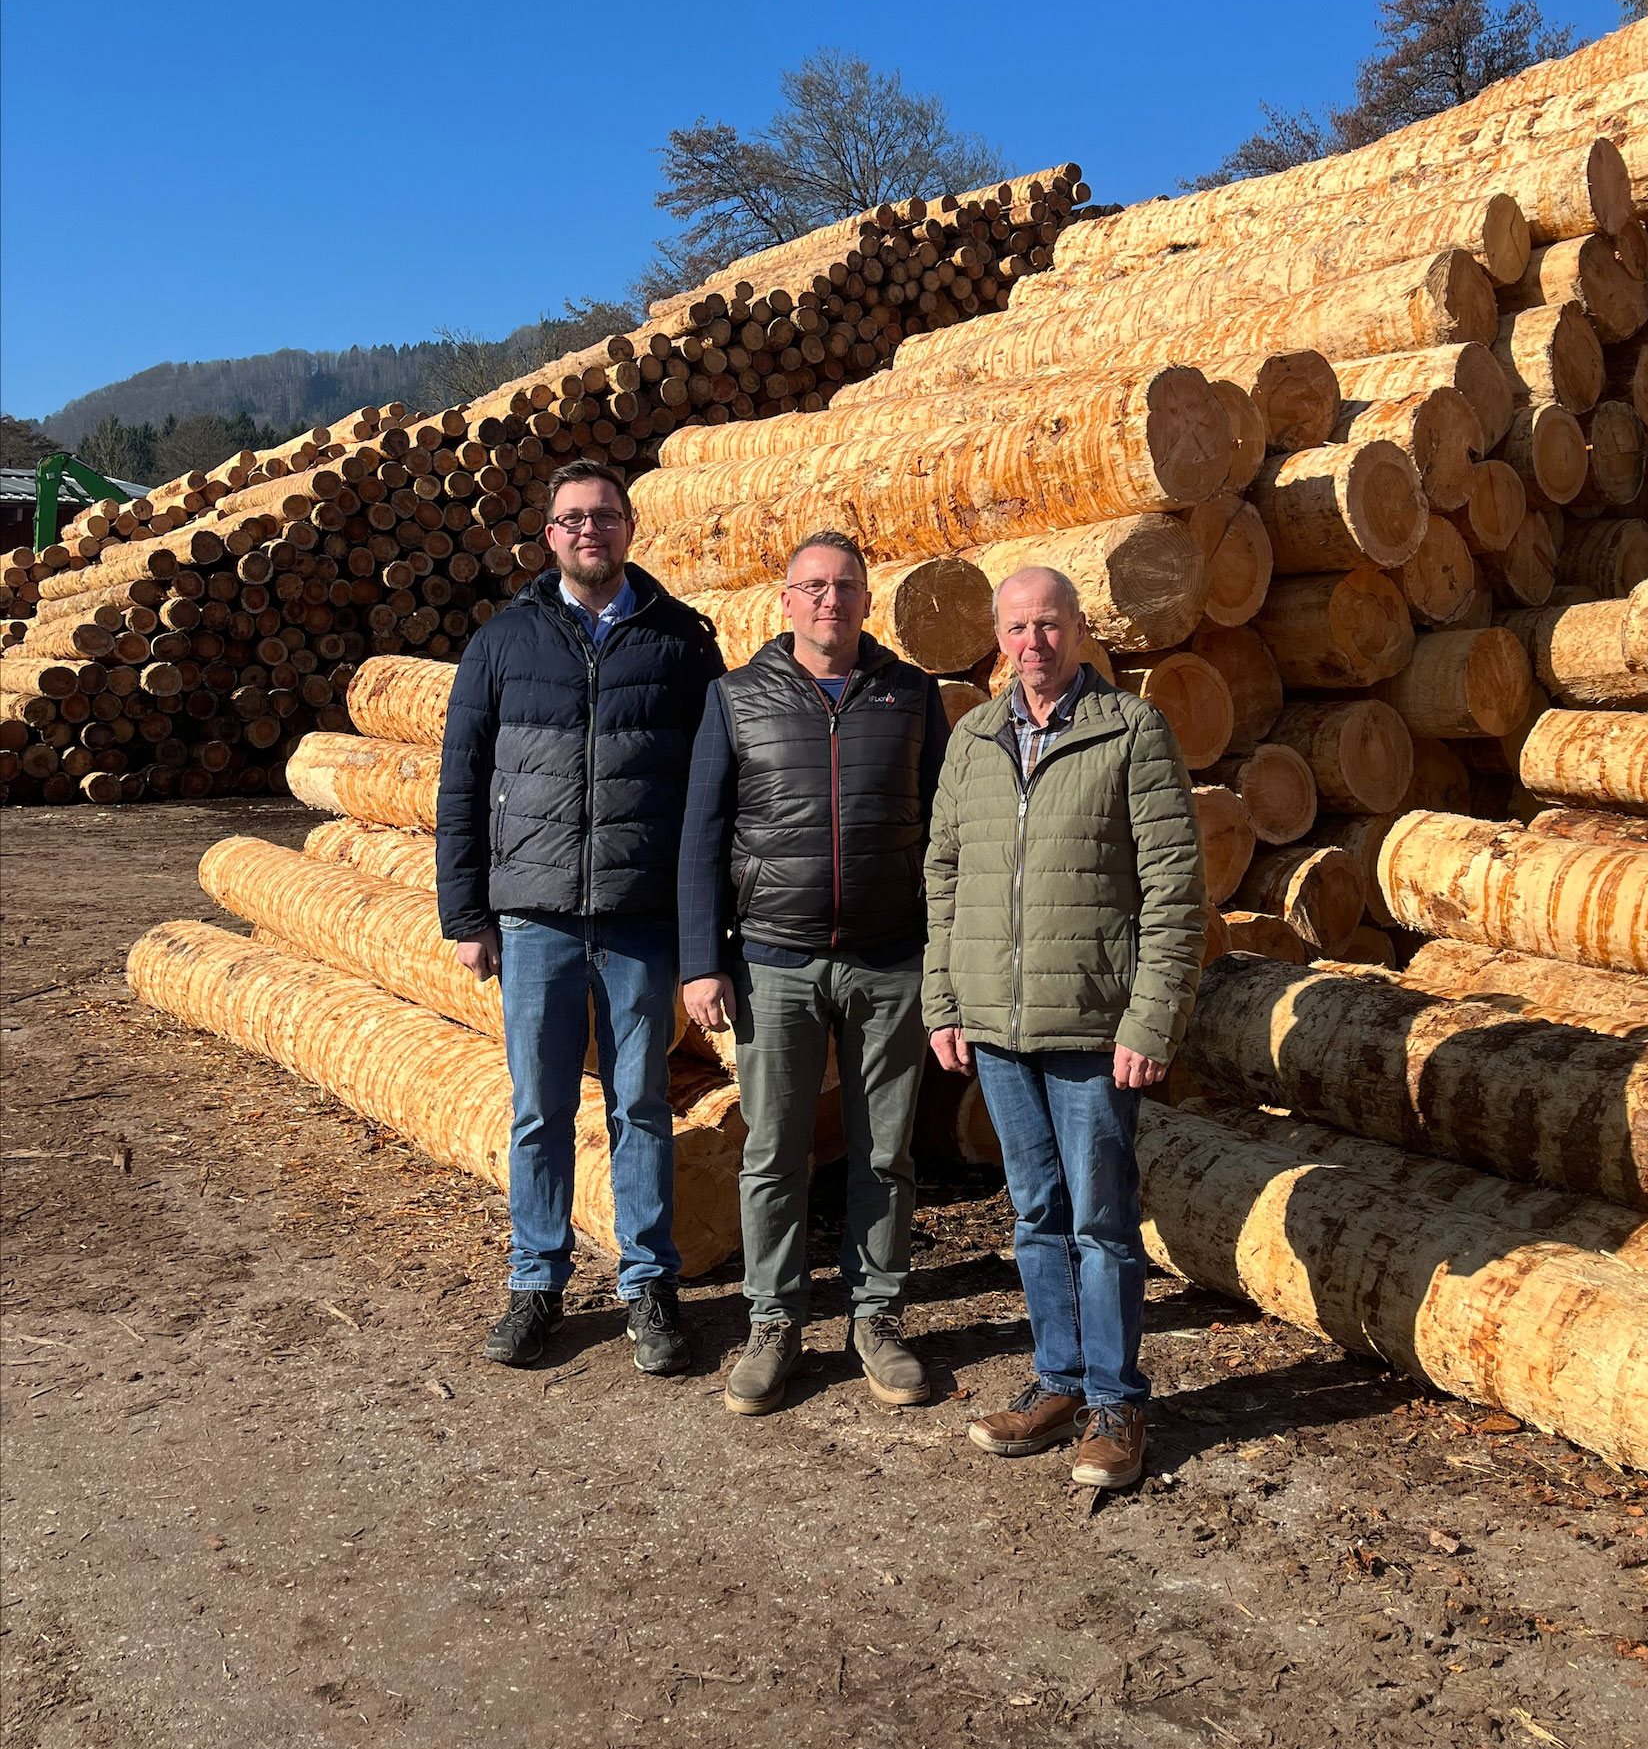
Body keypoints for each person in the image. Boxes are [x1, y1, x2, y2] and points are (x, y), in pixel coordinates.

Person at [437, 458, 724, 1371]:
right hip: (535, 919)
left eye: (604, 515)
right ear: (549, 535)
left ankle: (649, 1287)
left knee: (642, 1105)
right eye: (572, 518)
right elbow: (461, 780)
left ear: (630, 527)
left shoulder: (680, 641)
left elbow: (714, 792)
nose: (589, 530)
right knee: (540, 1110)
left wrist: (702, 928)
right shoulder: (503, 642)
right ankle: (536, 1283)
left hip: (641, 917)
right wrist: (467, 912)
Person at [922, 566, 1205, 1490]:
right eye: (1016, 628)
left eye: (1048, 625)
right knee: (1036, 1214)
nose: (1032, 643)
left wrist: (1151, 1017)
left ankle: (1117, 1403)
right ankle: (1058, 1382)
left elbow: (1173, 890)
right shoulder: (972, 739)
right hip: (1001, 1028)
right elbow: (944, 877)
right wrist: (945, 1000)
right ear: (997, 640)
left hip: (1092, 1025)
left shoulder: (1132, 731)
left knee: (1102, 1221)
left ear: (1080, 631)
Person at [678, 530, 949, 1418]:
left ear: (868, 600)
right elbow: (701, 835)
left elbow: (946, 832)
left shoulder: (912, 696)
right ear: (786, 601)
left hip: (890, 958)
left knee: (885, 1152)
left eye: (846, 586)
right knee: (773, 1151)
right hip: (773, 961)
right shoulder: (736, 696)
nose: (831, 599)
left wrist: (943, 954)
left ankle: (877, 1318)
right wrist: (702, 960)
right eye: (814, 586)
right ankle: (773, 1322)